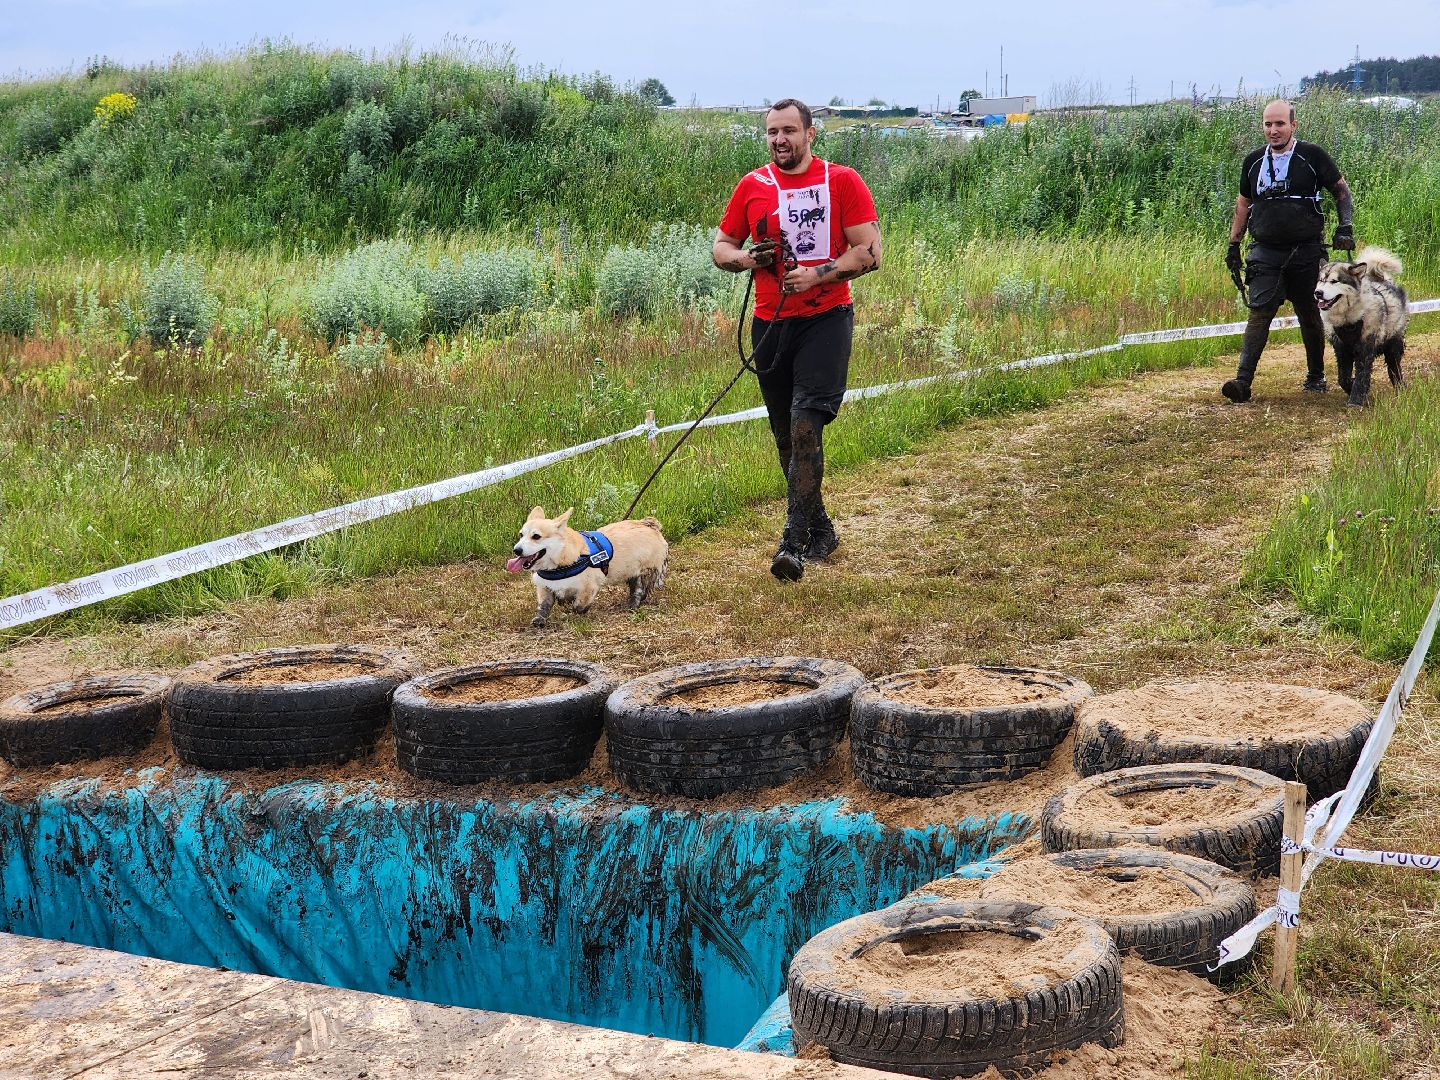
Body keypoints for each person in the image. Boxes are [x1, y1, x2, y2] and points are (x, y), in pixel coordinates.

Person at [712, 99, 882, 581]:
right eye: (772, 132)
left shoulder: (841, 180)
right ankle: (821, 528)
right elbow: (721, 247)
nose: (780, 139)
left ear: (811, 134)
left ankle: (793, 542)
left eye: (789, 130)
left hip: (825, 318)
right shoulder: (753, 185)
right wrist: (748, 260)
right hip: (770, 322)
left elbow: (869, 252)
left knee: (807, 424)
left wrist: (819, 275)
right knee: (786, 437)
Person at [1221, 99, 1354, 403]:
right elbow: (1244, 203)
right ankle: (1242, 382)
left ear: (1293, 125)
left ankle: (1316, 376)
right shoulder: (1253, 161)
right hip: (1265, 252)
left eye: (1280, 124)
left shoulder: (1312, 156)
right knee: (1260, 313)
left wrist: (1344, 227)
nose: (1273, 130)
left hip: (1307, 250)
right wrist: (1234, 244)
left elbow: (1342, 192)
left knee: (1310, 313)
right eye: (1268, 124)